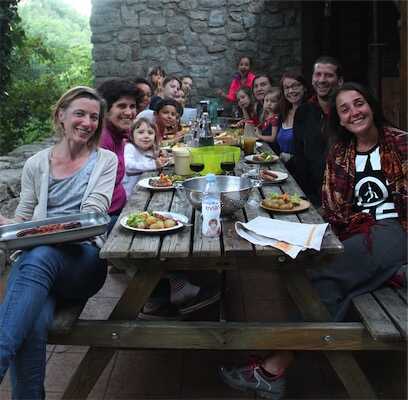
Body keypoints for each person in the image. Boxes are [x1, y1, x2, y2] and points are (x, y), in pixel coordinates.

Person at [218, 82, 407, 399]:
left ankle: (274, 364)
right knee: (317, 273)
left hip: (397, 228)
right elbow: (333, 206)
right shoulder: (341, 152)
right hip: (356, 232)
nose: (354, 112)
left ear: (371, 106)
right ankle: (276, 364)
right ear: (339, 119)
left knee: (323, 273)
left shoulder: (401, 144)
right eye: (345, 109)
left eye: (359, 103)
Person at [0, 86, 118, 398]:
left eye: (94, 117)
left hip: (83, 263)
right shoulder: (36, 163)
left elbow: (93, 215)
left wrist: (33, 233)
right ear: (61, 116)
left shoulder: (105, 160)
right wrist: (9, 224)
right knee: (32, 321)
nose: (87, 123)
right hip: (38, 266)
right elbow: (24, 215)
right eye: (80, 114)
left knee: (38, 256)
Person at [292, 56, 344, 206]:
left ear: (340, 81)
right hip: (310, 198)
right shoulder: (303, 112)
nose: (321, 80)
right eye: (318, 74)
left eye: (328, 75)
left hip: (341, 198)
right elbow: (300, 157)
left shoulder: (347, 113)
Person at [97, 79, 143, 230]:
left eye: (132, 106)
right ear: (106, 110)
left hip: (121, 207)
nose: (129, 112)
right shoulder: (103, 139)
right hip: (107, 218)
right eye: (121, 106)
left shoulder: (119, 133)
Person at [123, 118, 168, 198]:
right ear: (132, 135)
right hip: (130, 194)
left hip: (147, 191)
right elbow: (128, 167)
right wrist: (154, 164)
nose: (146, 136)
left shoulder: (150, 149)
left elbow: (148, 159)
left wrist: (160, 155)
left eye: (150, 133)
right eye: (141, 132)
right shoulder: (130, 148)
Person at [274, 71, 308, 165]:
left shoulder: (311, 114)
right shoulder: (283, 113)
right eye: (287, 88)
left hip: (300, 170)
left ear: (304, 87)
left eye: (295, 86)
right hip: (282, 167)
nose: (291, 91)